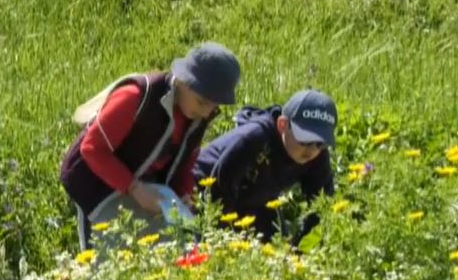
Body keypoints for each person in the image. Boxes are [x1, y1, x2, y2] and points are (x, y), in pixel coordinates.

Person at [59, 42, 241, 249]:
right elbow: (92, 149)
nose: (207, 113)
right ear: (183, 81)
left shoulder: (196, 115)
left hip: (144, 188)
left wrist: (183, 195)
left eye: (214, 107)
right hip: (97, 183)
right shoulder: (135, 96)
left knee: (179, 247)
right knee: (109, 260)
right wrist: (135, 188)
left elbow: (186, 162)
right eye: (201, 102)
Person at [195, 89, 338, 247]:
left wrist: (299, 250)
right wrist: (224, 241)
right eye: (304, 140)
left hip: (254, 198)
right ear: (283, 124)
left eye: (321, 143)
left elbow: (321, 207)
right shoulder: (255, 137)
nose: (311, 150)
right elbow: (220, 186)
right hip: (202, 192)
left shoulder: (317, 155)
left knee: (279, 249)